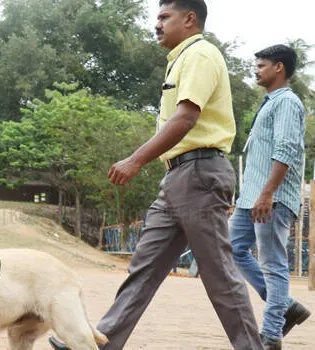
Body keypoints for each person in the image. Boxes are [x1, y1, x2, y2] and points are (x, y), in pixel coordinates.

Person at [47, 1, 265, 349]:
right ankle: (100, 343)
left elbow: (185, 119)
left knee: (220, 275)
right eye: (157, 17)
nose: (157, 25)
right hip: (178, 177)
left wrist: (135, 160)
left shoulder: (200, 54)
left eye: (165, 17)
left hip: (200, 174)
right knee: (143, 270)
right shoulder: (180, 59)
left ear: (189, 19)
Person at [230, 44, 310, 349]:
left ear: (279, 67)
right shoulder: (269, 102)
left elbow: (286, 149)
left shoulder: (287, 102)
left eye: (261, 65)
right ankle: (287, 305)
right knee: (231, 248)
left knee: (273, 263)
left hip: (271, 199)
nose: (256, 70)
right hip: (251, 197)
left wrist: (268, 193)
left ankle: (272, 333)